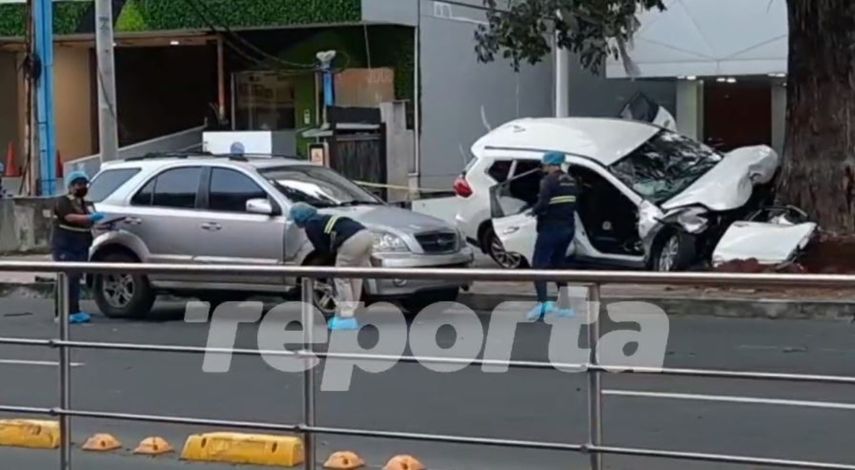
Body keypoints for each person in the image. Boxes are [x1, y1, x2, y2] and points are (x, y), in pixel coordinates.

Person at [288, 202, 374, 331]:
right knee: (355, 276)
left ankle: (346, 317)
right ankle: (354, 312)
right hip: (366, 235)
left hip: (350, 240)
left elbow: (323, 250)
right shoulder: (322, 218)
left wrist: (318, 267)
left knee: (341, 277)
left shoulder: (311, 225)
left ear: (299, 218)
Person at [527, 152, 579, 321]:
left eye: (544, 165)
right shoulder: (571, 181)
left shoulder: (548, 181)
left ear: (549, 164)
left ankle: (543, 304)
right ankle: (564, 306)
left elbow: (543, 204)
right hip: (568, 228)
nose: (544, 168)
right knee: (559, 265)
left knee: (538, 266)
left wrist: (532, 212)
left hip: (551, 228)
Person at [52, 171, 105, 324]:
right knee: (65, 277)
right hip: (65, 245)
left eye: (84, 184)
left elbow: (91, 222)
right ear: (71, 186)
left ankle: (74, 310)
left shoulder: (85, 204)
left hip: (81, 245)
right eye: (78, 184)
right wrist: (89, 218)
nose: (82, 187)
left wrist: (99, 220)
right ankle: (61, 312)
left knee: (75, 278)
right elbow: (69, 217)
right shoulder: (63, 201)